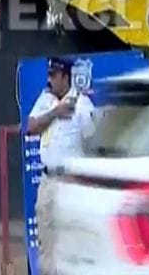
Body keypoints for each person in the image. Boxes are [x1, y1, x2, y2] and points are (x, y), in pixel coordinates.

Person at [27, 56, 95, 275]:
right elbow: (31, 127)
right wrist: (55, 112)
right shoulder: (46, 99)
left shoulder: (82, 104)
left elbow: (93, 141)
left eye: (54, 76)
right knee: (46, 240)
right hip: (48, 181)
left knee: (72, 243)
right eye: (49, 75)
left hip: (70, 182)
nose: (50, 80)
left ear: (66, 77)